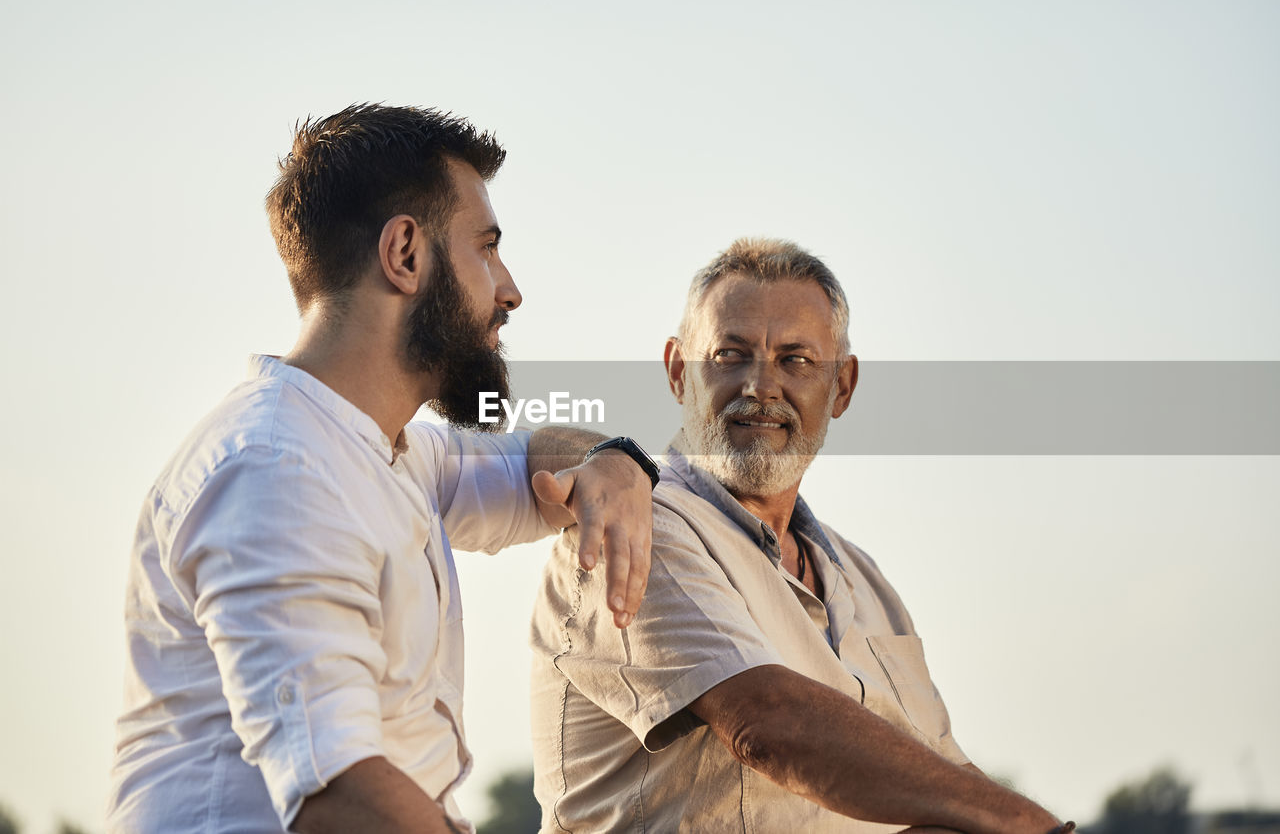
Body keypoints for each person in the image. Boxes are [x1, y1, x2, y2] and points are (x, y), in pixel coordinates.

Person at [106, 104, 656, 834]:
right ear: (405, 253)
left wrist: (611, 460)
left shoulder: (393, 451)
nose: (509, 288)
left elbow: (530, 463)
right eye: (486, 248)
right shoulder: (277, 472)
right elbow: (338, 791)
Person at [529, 238, 1074, 833]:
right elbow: (766, 723)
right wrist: (1027, 823)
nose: (761, 386)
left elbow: (943, 779)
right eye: (730, 355)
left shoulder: (863, 580)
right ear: (678, 371)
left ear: (842, 387)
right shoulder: (639, 524)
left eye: (796, 361)